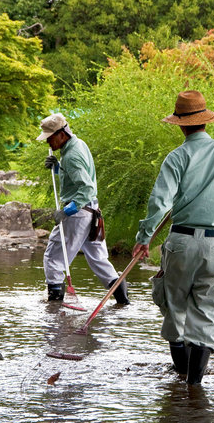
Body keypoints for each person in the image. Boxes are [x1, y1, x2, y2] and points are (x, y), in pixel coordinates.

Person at [132, 90, 214, 384]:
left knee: (174, 304)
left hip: (180, 241)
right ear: (206, 121)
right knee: (208, 310)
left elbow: (159, 203)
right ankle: (194, 386)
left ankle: (179, 376)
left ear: (180, 124)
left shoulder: (177, 156)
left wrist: (144, 238)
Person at [37, 113, 129, 305]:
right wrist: (58, 167)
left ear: (62, 134)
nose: (48, 143)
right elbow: (77, 176)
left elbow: (87, 188)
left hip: (78, 214)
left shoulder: (71, 156)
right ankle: (123, 302)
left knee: (53, 258)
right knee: (98, 259)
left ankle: (54, 309)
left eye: (50, 138)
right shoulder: (78, 144)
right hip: (92, 213)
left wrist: (67, 211)